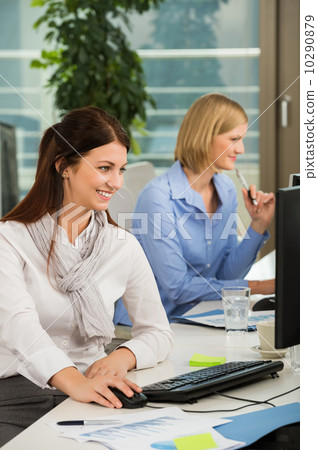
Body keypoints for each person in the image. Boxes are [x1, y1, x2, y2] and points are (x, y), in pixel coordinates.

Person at [0, 106, 173, 446]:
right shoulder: (10, 239)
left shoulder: (122, 246)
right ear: (64, 166)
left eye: (120, 169)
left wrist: (120, 357)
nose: (117, 182)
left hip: (93, 392)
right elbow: (19, 326)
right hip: (16, 396)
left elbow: (158, 333)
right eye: (104, 168)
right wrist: (73, 382)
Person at [114, 93, 275, 324]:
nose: (241, 149)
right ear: (205, 137)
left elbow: (227, 276)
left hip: (201, 316)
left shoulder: (226, 189)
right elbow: (178, 289)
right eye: (233, 139)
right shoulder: (158, 198)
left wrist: (258, 226)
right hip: (150, 326)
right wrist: (261, 286)